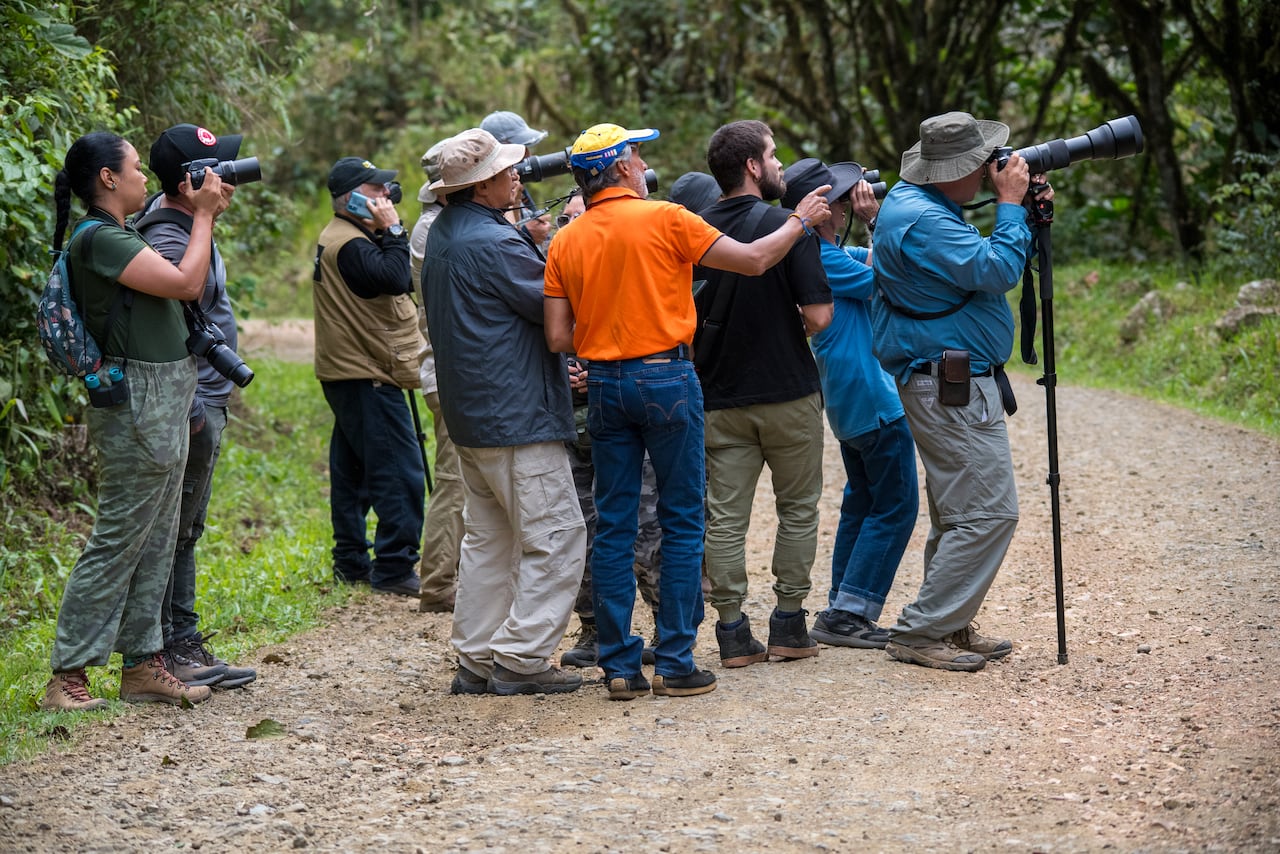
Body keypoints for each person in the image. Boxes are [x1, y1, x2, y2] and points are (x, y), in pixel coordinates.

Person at [544, 122, 833, 700]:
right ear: (623, 165)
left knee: (615, 523)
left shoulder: (567, 239)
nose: (643, 163)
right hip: (668, 377)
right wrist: (799, 220)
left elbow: (557, 336)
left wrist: (606, 340)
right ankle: (675, 661)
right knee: (681, 521)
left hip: (604, 383)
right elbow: (753, 261)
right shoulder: (666, 219)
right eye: (637, 154)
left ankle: (621, 667)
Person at [40, 131, 225, 710]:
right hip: (137, 399)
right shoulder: (98, 239)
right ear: (108, 179)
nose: (145, 178)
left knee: (157, 535)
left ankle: (144, 664)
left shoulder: (119, 233)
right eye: (136, 168)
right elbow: (186, 282)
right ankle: (67, 674)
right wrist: (202, 216)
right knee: (120, 535)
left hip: (165, 394)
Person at [871, 111, 1043, 672]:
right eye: (984, 162)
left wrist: (1025, 215)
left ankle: (948, 620)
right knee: (991, 514)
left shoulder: (920, 204)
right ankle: (922, 632)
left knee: (957, 511)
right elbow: (996, 271)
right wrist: (1011, 206)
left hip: (954, 380)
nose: (993, 169)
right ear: (957, 168)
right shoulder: (924, 220)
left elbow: (986, 265)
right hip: (949, 385)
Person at [423, 128, 587, 696]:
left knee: (490, 541)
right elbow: (555, 308)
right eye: (506, 171)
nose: (517, 176)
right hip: (515, 416)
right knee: (558, 536)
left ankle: (475, 657)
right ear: (480, 184)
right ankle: (521, 658)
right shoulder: (494, 243)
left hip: (474, 415)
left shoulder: (448, 232)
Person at [695, 120, 833, 668]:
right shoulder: (788, 225)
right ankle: (788, 626)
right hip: (788, 394)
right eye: (773, 155)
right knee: (798, 509)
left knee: (726, 517)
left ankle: (732, 633)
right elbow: (819, 315)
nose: (779, 165)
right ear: (752, 166)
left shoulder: (690, 228)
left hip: (718, 398)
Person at [137, 123, 260, 689]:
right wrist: (204, 217)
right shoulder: (167, 236)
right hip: (191, 400)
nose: (227, 181)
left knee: (187, 527)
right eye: (217, 171)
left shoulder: (184, 224)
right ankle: (167, 649)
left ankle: (180, 640)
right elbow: (181, 292)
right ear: (189, 182)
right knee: (177, 530)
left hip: (205, 395)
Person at [780, 158, 918, 650]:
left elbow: (868, 259)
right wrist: (879, 222)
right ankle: (851, 612)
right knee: (898, 504)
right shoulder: (819, 255)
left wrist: (869, 227)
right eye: (838, 199)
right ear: (818, 209)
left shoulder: (817, 249)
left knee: (863, 501)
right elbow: (889, 276)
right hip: (870, 394)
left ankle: (843, 603)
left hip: (848, 398)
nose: (846, 205)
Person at [553, 190, 664, 670]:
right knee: (583, 531)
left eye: (581, 217)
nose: (572, 227)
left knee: (644, 526)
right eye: (565, 219)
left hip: (621, 417)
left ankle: (667, 622)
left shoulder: (633, 270)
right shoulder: (552, 268)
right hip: (572, 426)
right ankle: (595, 628)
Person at [313, 156, 425, 596]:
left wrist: (384, 229)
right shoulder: (354, 245)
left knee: (353, 469)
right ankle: (395, 566)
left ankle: (352, 560)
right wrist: (395, 230)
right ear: (352, 198)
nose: (387, 197)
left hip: (348, 370)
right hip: (369, 372)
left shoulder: (346, 235)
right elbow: (398, 278)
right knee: (399, 469)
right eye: (377, 190)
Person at [409, 139, 464, 614]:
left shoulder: (436, 225)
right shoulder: (435, 230)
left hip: (441, 371)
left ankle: (447, 575)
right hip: (446, 373)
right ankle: (439, 582)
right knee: (454, 480)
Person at [480, 110, 552, 247]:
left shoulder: (516, 187)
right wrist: (527, 233)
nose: (528, 155)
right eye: (520, 148)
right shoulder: (485, 197)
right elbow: (500, 248)